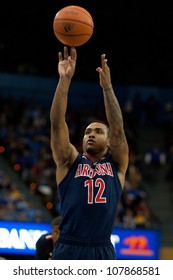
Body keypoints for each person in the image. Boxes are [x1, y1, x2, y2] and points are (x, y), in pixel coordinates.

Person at [50, 46, 129, 260]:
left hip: (101, 248)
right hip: (69, 245)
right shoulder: (69, 161)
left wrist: (107, 88)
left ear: (109, 141)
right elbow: (57, 124)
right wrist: (64, 81)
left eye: (98, 131)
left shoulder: (117, 165)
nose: (91, 134)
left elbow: (119, 130)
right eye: (87, 132)